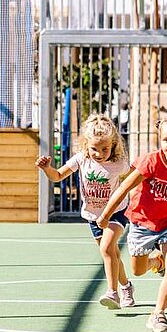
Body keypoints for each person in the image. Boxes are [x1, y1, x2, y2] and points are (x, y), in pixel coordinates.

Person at [97, 116, 167, 332]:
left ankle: (158, 314)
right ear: (159, 140)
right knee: (137, 270)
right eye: (166, 140)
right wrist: (106, 214)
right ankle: (156, 262)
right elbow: (124, 187)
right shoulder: (151, 162)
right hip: (141, 223)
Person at [35, 115, 136, 310]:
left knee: (107, 248)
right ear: (85, 145)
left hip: (117, 211)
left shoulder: (120, 163)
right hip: (93, 215)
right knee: (112, 253)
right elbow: (57, 176)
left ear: (113, 144)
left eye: (105, 149)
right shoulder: (81, 159)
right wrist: (47, 168)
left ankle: (112, 293)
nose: (99, 154)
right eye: (94, 149)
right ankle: (126, 286)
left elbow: (135, 180)